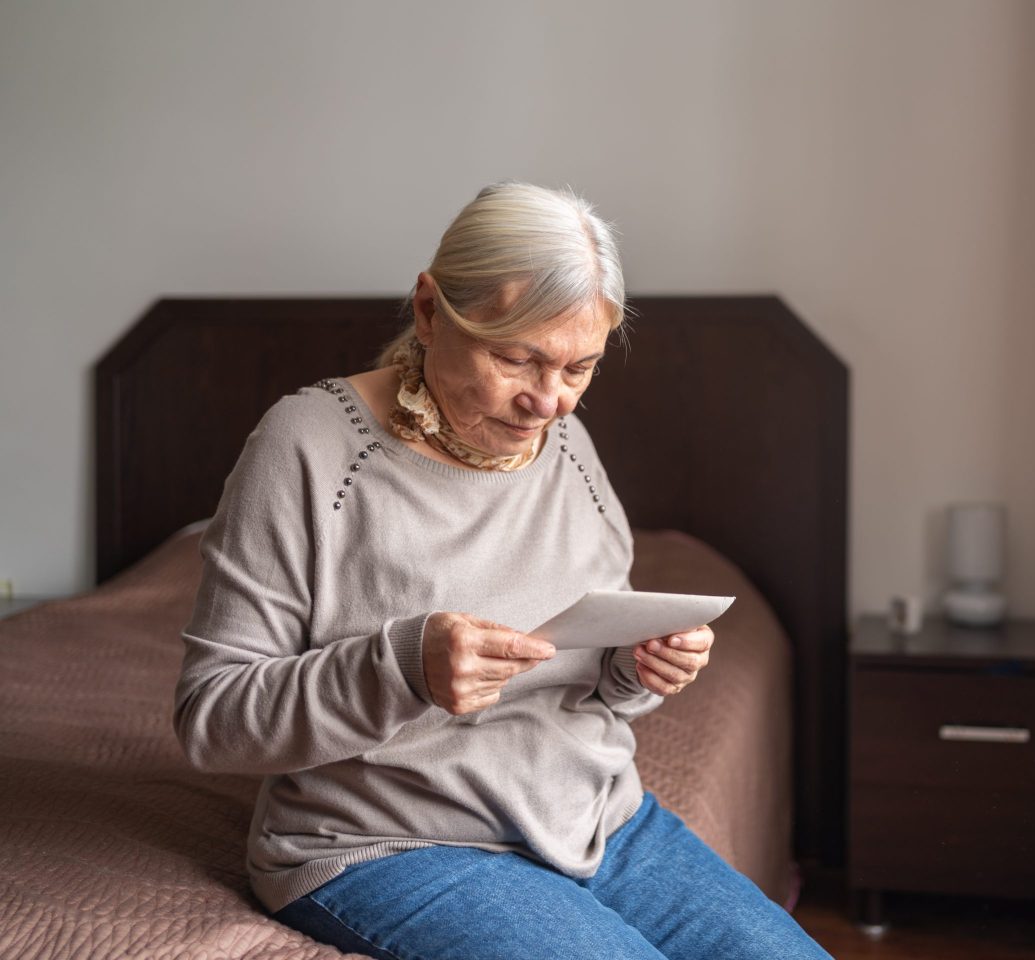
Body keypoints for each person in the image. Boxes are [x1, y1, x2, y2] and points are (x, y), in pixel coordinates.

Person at [173, 182, 832, 960]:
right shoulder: (309, 447)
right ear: (428, 310)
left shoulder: (567, 448)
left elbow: (595, 675)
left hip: (599, 817)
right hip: (396, 844)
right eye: (516, 359)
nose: (549, 404)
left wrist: (637, 669)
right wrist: (404, 668)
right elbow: (210, 719)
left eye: (580, 368)